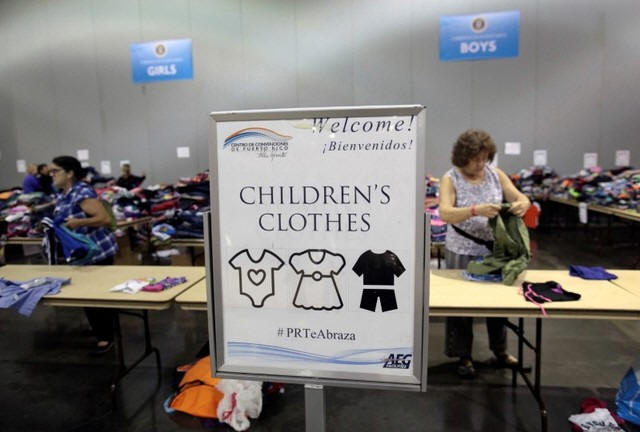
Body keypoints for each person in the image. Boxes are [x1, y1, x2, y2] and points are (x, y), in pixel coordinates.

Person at [438, 129, 530, 378]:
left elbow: (521, 197)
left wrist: (523, 204)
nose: (481, 164)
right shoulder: (450, 178)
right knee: (461, 305)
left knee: (498, 303)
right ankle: (464, 355)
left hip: (494, 249)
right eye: (476, 159)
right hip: (462, 249)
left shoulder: (495, 175)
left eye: (485, 158)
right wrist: (475, 210)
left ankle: (500, 351)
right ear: (462, 157)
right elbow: (445, 213)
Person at [50, 156, 119, 354]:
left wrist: (78, 223)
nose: (52, 175)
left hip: (98, 251)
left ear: (69, 173)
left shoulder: (81, 192)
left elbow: (104, 219)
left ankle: (106, 337)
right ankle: (99, 330)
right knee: (87, 294)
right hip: (83, 253)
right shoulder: (64, 194)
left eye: (56, 171)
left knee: (98, 296)